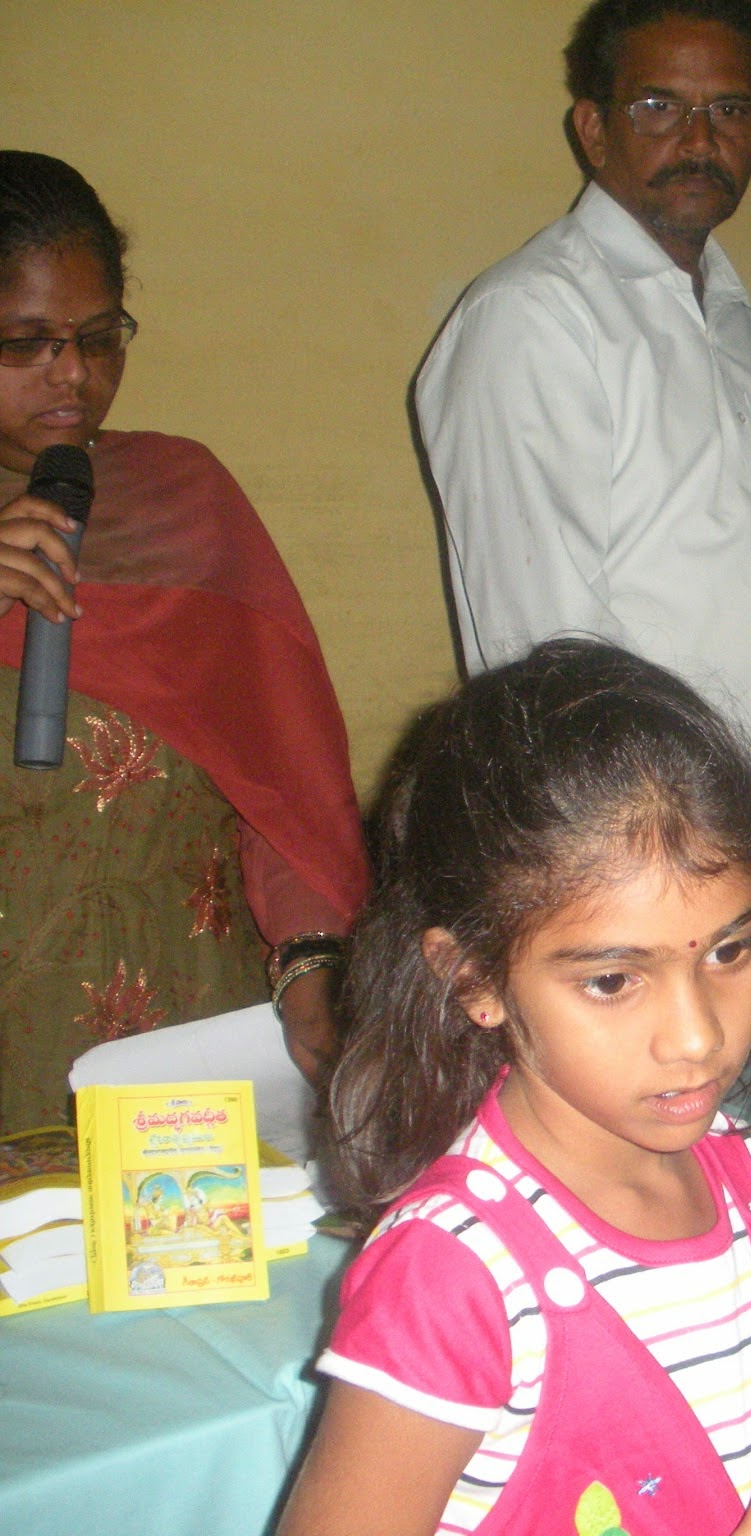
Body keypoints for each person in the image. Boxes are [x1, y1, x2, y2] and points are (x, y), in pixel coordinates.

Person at [280, 639, 751, 1536]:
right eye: (613, 980)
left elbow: (725, 1449)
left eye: (730, 950)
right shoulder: (454, 1275)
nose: (698, 1036)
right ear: (474, 979)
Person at [415, 0, 751, 930]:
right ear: (593, 129)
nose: (698, 140)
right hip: (651, 882)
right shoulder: (535, 319)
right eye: (659, 107)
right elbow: (551, 663)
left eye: (729, 110)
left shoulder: (728, 315)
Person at [0, 151, 367, 1131]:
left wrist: (313, 961)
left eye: (99, 338)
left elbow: (283, 790)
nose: (74, 374)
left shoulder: (185, 502)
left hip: (186, 1033)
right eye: (27, 343)